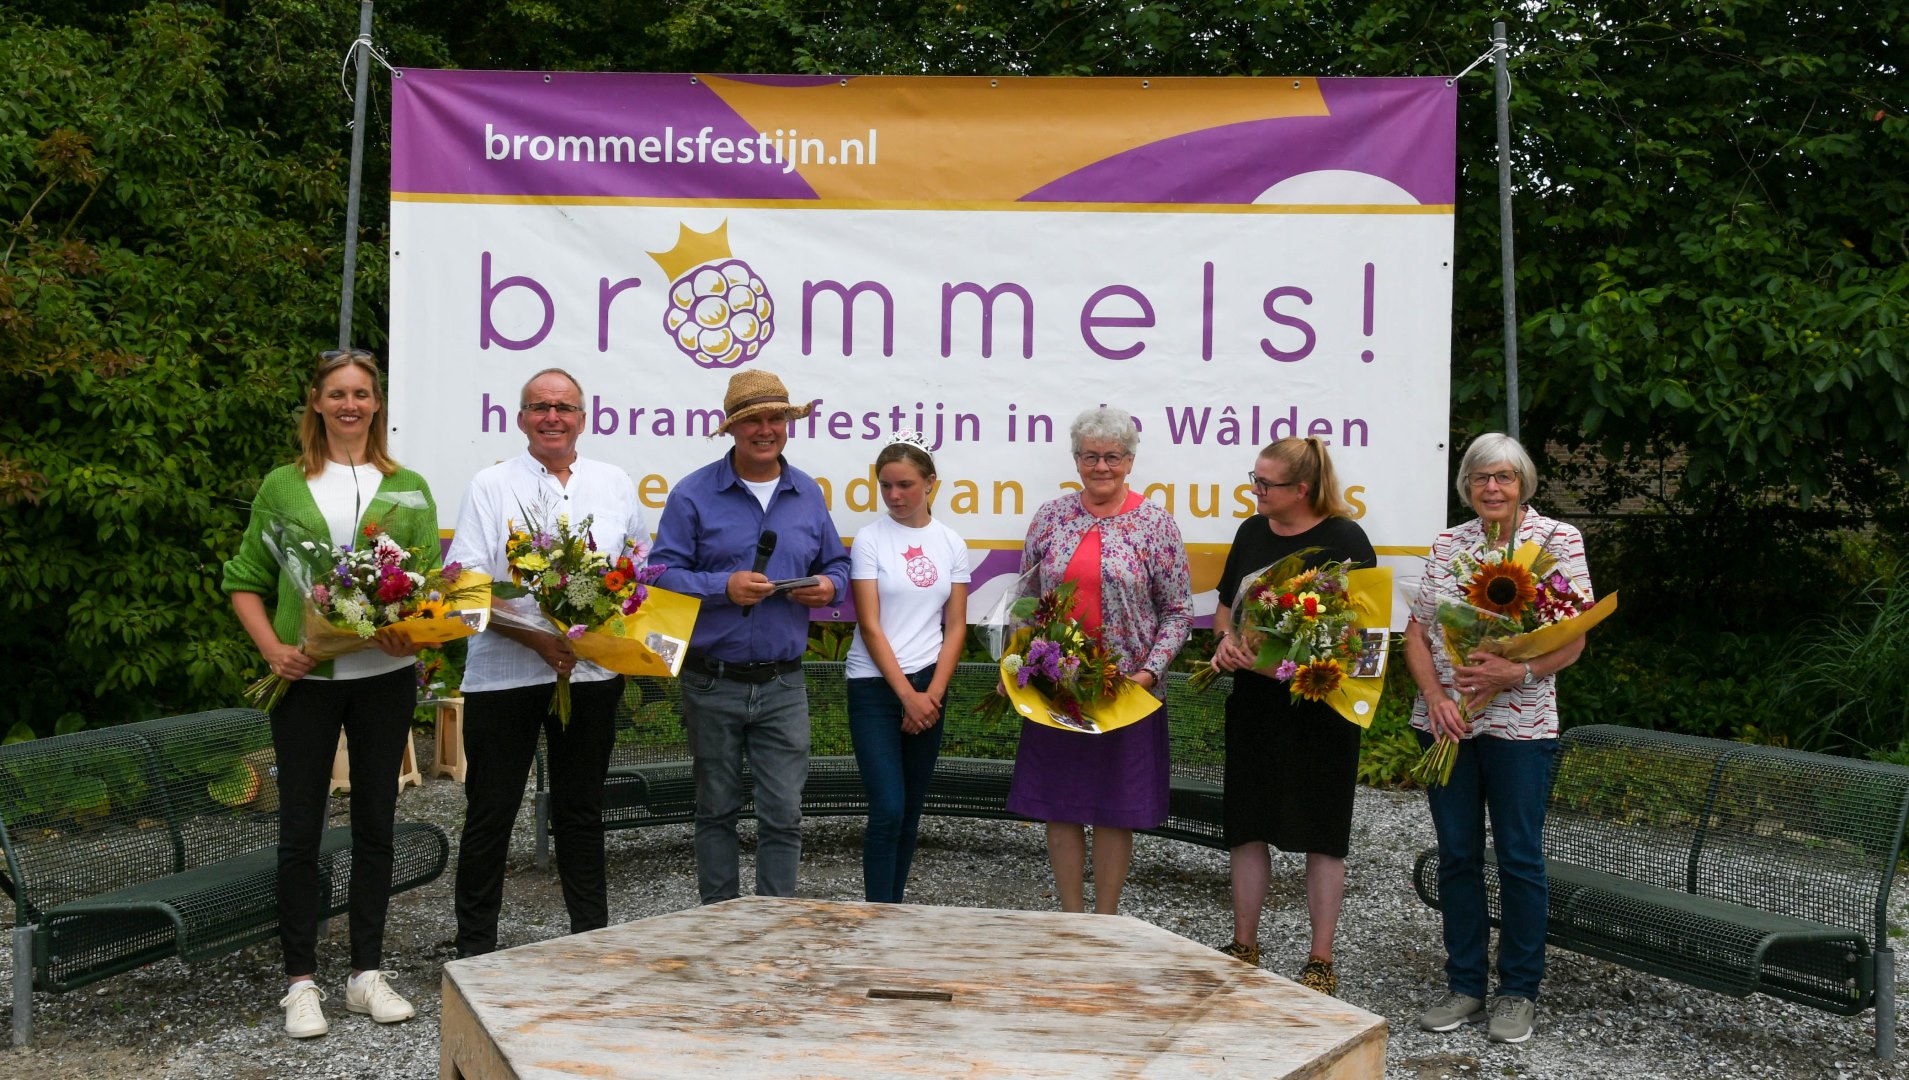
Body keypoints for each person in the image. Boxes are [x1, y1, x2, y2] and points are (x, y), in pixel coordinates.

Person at [223, 348, 434, 1038]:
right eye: (337, 393)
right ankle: (300, 982)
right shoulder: (284, 486)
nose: (350, 405)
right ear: (316, 402)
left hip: (383, 682)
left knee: (376, 825)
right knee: (300, 830)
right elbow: (244, 579)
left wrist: (410, 634)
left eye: (361, 394)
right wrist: (272, 649)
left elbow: (428, 587)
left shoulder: (408, 488)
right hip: (306, 681)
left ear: (377, 404)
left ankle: (366, 974)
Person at [446, 367, 648, 957]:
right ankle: (475, 951)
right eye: (539, 407)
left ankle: (589, 941)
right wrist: (537, 639)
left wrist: (597, 629)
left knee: (581, 811)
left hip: (590, 675)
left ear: (583, 418)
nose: (551, 417)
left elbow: (636, 574)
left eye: (563, 407)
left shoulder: (614, 483)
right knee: (491, 813)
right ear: (521, 418)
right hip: (503, 675)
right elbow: (464, 589)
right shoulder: (491, 485)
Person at [1404, 432, 1592, 1045]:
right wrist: (1435, 695)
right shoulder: (1448, 544)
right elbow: (1417, 631)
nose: (1493, 487)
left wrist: (1521, 671)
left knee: (1518, 855)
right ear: (1466, 485)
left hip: (1521, 724)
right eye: (1481, 477)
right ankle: (1464, 985)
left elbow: (1574, 636)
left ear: (1523, 484)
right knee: (1457, 854)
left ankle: (1518, 992)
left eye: (1504, 477)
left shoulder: (1557, 540)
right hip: (1448, 723)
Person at [652, 369, 852, 903]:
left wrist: (829, 587)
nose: (766, 430)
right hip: (711, 680)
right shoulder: (693, 494)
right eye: (753, 421)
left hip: (784, 683)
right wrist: (724, 587)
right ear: (733, 429)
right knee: (716, 810)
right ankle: (719, 925)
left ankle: (774, 924)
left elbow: (836, 563)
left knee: (784, 814)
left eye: (776, 419)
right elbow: (660, 576)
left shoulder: (807, 493)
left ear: (788, 423)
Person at [1005, 407, 1192, 914]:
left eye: (1113, 456)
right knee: (1060, 805)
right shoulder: (1050, 517)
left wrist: (1148, 673)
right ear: (1076, 460)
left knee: (1115, 808)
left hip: (1125, 691)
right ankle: (1071, 919)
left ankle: (1105, 921)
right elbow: (1026, 601)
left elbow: (1178, 612)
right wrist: (1016, 662)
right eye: (1090, 456)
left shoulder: (1156, 524)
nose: (1101, 466)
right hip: (1057, 686)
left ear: (1130, 461)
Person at [1207, 437, 1376, 997]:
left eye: (1266, 483)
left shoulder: (1346, 541)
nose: (1255, 491)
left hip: (1320, 708)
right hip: (1254, 707)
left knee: (1323, 833)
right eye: (1254, 479)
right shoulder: (1251, 532)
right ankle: (1243, 946)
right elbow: (1225, 611)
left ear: (1301, 489)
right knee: (1246, 825)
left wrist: (1282, 663)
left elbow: (1358, 639)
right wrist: (1226, 645)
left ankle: (1320, 958)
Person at [845, 438, 971, 903]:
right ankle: (878, 916)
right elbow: (870, 625)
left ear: (931, 483)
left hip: (928, 686)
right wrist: (908, 697)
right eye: (885, 486)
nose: (894, 495)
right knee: (888, 809)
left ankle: (894, 914)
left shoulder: (951, 542)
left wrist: (931, 694)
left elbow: (956, 626)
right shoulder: (870, 539)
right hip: (875, 686)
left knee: (910, 812)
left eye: (905, 485)